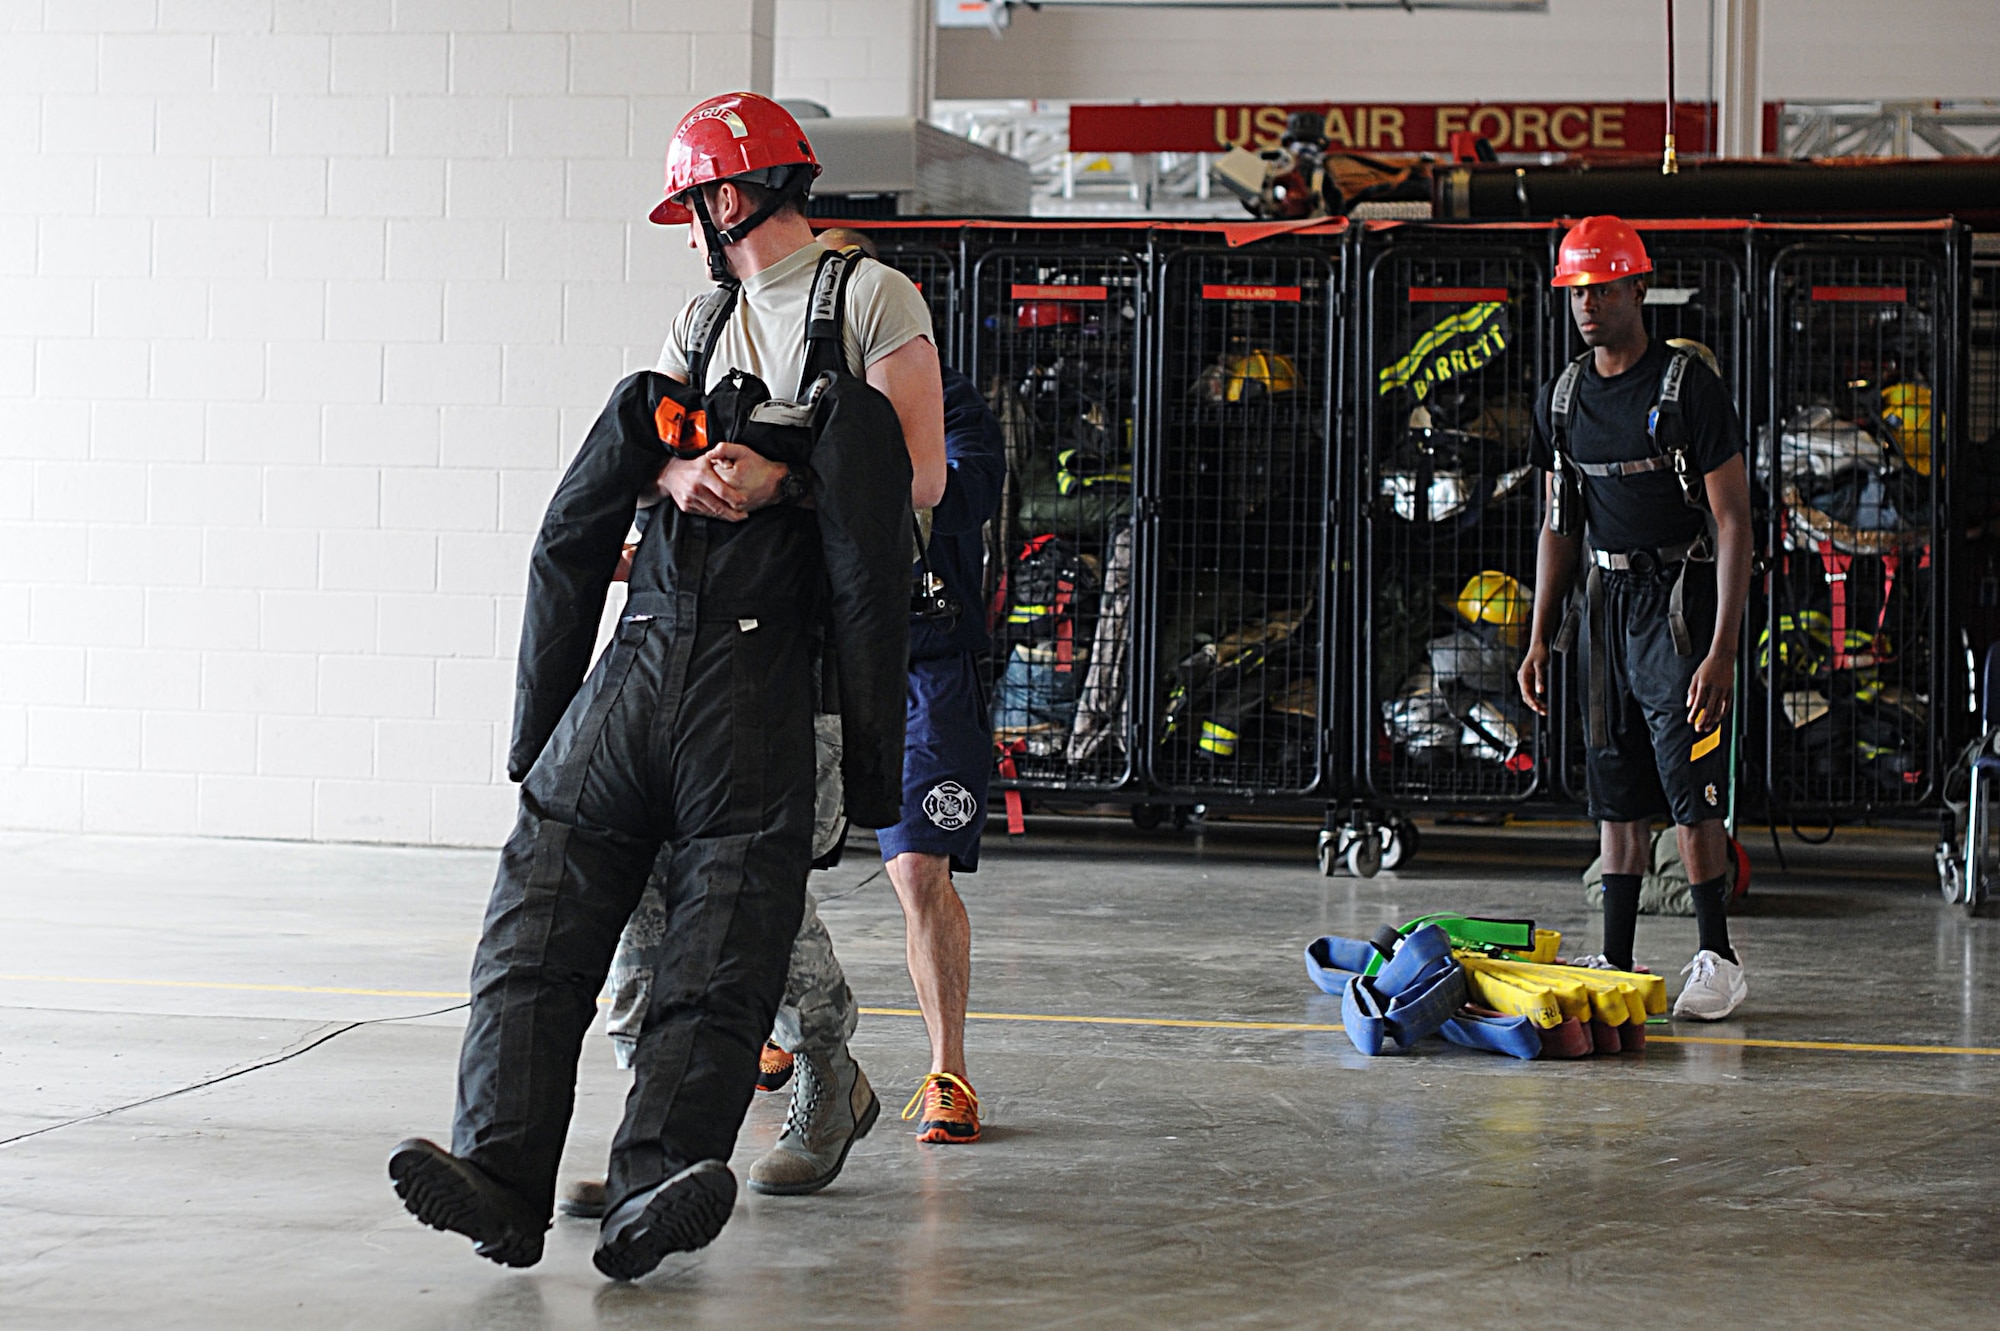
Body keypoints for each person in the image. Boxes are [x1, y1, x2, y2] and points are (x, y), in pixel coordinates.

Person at [385, 94, 915, 1281]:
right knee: (554, 922)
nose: (692, 233)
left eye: (694, 207)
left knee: (724, 944)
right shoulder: (696, 322)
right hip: (648, 669)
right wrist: (676, 477)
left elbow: (909, 483)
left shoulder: (869, 299)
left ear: (730, 195)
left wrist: (782, 481)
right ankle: (503, 1171)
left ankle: (660, 1173)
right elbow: (604, 499)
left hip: (768, 675)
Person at [555, 204, 1002, 1226]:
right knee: (677, 871)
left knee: (891, 870)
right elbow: (648, 456)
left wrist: (797, 475)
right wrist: (677, 494)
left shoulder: (933, 400)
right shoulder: (729, 367)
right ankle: (668, 1124)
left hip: (913, 656)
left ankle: (919, 1066)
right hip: (767, 655)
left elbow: (926, 496)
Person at [1517, 215, 1754, 1021]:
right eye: (1577, 291)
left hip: (1679, 608)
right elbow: (1559, 524)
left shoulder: (1688, 390)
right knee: (1615, 788)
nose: (1587, 305)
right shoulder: (1563, 399)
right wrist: (1540, 634)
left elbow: (1734, 521)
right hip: (1603, 608)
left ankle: (1718, 957)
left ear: (1638, 289)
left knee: (1690, 789)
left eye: (1603, 288)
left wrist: (1721, 649)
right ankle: (1615, 961)